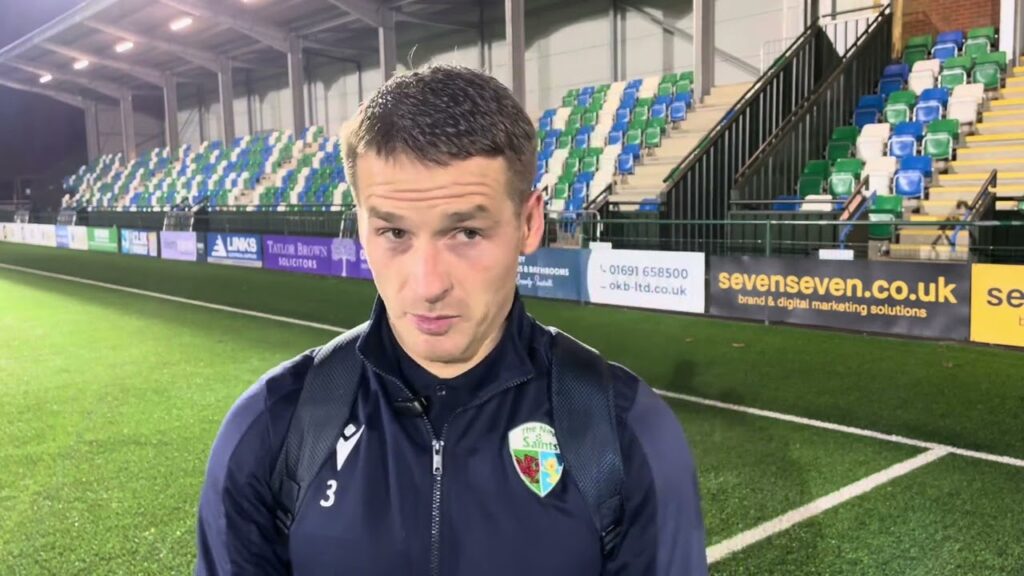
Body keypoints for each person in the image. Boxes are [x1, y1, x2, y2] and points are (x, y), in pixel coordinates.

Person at [195, 65, 707, 576]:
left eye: (465, 232)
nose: (427, 284)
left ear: (530, 222)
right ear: (360, 228)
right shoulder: (271, 427)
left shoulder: (624, 431)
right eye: (394, 233)